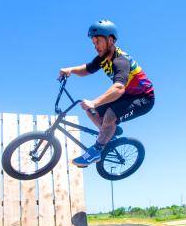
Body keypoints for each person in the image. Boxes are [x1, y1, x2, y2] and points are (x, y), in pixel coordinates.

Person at [58, 20, 155, 167]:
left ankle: (96, 151)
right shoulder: (102, 58)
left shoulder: (120, 61)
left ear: (110, 40)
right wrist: (70, 70)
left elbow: (118, 88)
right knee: (92, 110)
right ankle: (110, 134)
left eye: (98, 41)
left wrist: (95, 101)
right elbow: (87, 69)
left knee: (109, 115)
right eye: (93, 42)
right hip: (127, 95)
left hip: (144, 98)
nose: (95, 46)